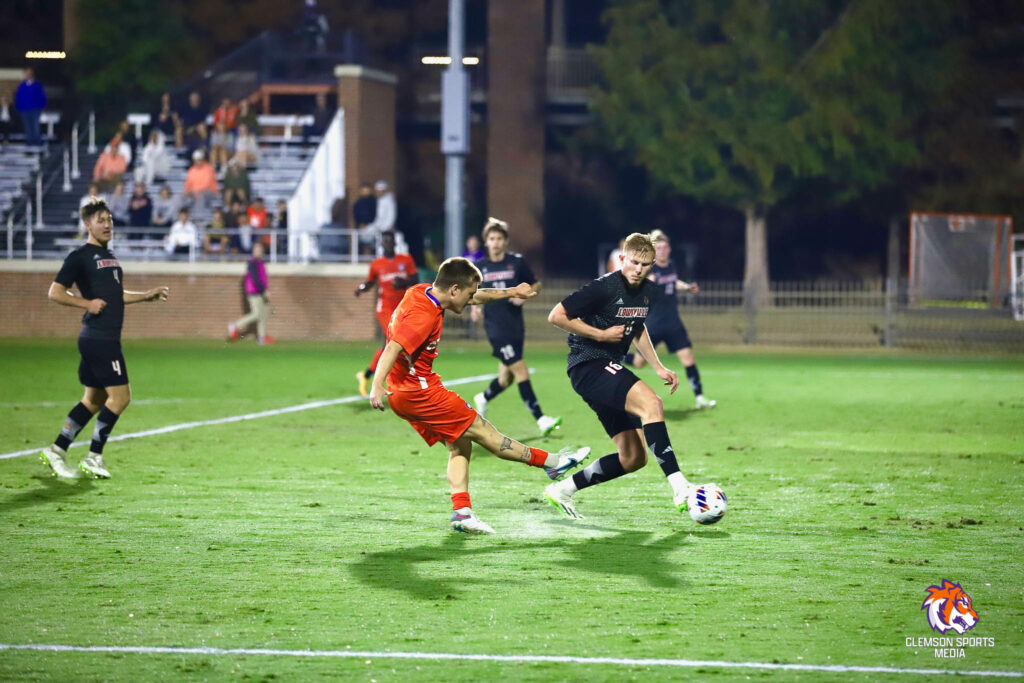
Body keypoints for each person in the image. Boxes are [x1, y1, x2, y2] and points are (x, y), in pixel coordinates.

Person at [369, 256, 590, 534]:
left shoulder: (421, 291)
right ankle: (553, 463)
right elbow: (393, 348)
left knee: (460, 444)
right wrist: (376, 385)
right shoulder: (423, 315)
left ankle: (462, 512)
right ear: (453, 290)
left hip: (403, 390)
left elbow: (474, 297)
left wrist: (511, 291)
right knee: (483, 431)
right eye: (468, 294)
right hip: (419, 391)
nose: (471, 300)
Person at [543, 232, 708, 522]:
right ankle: (680, 487)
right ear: (622, 259)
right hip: (588, 364)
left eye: (645, 264)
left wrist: (657, 366)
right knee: (652, 404)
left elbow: (637, 328)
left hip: (605, 368)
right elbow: (556, 316)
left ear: (652, 265)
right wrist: (601, 334)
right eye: (633, 262)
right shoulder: (603, 288)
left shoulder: (649, 292)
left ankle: (563, 490)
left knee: (634, 458)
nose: (638, 269)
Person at [39, 198, 169, 479]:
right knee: (121, 398)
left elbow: (114, 296)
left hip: (101, 337)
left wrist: (146, 296)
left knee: (93, 400)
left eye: (109, 219)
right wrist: (87, 304)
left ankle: (57, 450)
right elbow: (55, 292)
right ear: (88, 225)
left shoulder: (111, 259)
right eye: (101, 220)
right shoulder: (79, 257)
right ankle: (94, 456)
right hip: (99, 338)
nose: (108, 224)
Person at [470, 218, 561, 436]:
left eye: (499, 238)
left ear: (505, 241)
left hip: (515, 326)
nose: (495, 242)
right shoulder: (480, 267)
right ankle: (541, 419)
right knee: (520, 369)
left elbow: (535, 283)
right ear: (486, 242)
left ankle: (483, 398)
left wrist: (525, 296)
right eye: (491, 239)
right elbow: (471, 292)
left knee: (506, 379)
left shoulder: (516, 262)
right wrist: (473, 308)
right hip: (495, 328)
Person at [622, 230, 716, 410]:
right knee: (639, 363)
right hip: (653, 325)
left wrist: (687, 288)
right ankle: (613, 354)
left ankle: (700, 398)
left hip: (673, 323)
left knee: (688, 358)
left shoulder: (671, 265)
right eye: (659, 248)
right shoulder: (649, 268)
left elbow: (673, 282)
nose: (663, 251)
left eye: (665, 247)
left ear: (669, 249)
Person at [354, 230, 418, 395]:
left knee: (391, 346)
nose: (388, 243)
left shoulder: (406, 260)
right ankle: (393, 383)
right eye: (385, 241)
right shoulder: (377, 264)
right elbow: (370, 282)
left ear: (394, 243)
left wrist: (403, 282)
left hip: (403, 308)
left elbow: (415, 280)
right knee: (394, 343)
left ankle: (367, 375)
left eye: (390, 240)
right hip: (385, 309)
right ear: (382, 244)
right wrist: (361, 289)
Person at [228, 240, 273, 344]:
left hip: (261, 292)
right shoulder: (252, 263)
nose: (259, 251)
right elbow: (255, 279)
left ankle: (262, 338)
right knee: (256, 314)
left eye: (260, 249)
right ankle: (235, 326)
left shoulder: (261, 263)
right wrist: (264, 290)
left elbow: (263, 278)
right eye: (257, 249)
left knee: (263, 315)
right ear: (253, 251)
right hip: (255, 292)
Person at [14, 68, 45, 149]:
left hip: (35, 110)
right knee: (27, 127)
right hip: (24, 110)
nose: (27, 75)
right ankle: (30, 142)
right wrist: (19, 107)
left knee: (35, 126)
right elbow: (18, 97)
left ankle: (37, 142)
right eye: (26, 73)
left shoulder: (37, 85)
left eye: (29, 73)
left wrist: (40, 107)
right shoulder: (22, 86)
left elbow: (42, 97)